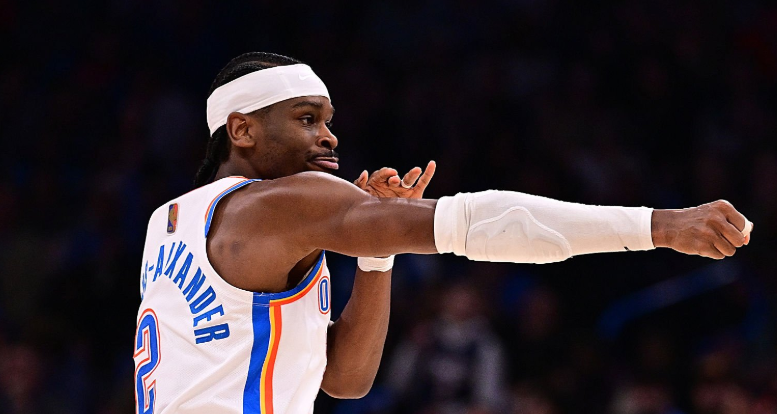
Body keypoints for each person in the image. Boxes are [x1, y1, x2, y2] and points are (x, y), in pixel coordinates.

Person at [133, 52, 753, 414]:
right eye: (306, 119)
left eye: (328, 120)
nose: (330, 136)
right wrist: (658, 225)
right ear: (241, 130)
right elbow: (478, 224)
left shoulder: (168, 223)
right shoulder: (286, 203)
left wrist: (377, 255)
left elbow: (345, 380)